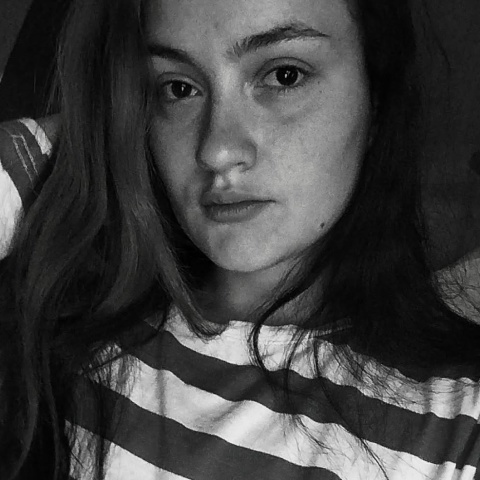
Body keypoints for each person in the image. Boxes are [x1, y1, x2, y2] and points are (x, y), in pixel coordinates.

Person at [0, 0, 479, 479]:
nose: (217, 150)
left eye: (284, 76)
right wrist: (90, 141)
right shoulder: (75, 330)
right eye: (178, 88)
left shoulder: (460, 427)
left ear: (377, 100)